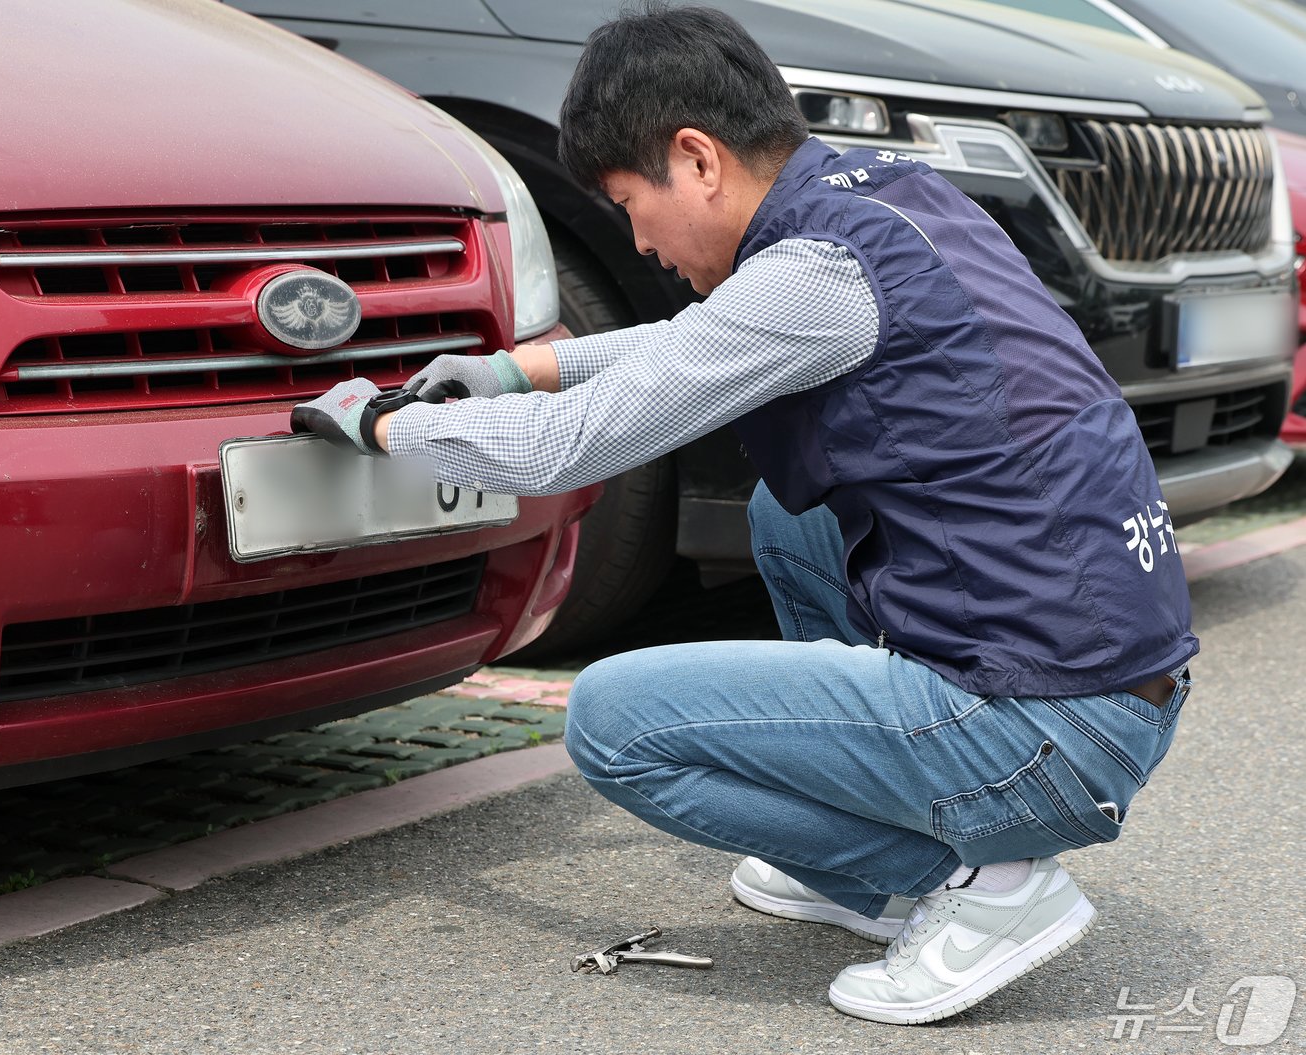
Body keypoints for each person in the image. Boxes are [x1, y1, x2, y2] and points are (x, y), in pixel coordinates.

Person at [291, 2, 1196, 1025]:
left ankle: (978, 883)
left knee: (613, 722)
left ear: (697, 158)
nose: (636, 236)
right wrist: (517, 365)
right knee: (789, 513)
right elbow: (702, 340)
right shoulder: (889, 196)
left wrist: (377, 428)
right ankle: (874, 869)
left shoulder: (812, 274)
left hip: (1042, 724)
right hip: (1105, 682)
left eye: (631, 201)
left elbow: (565, 447)